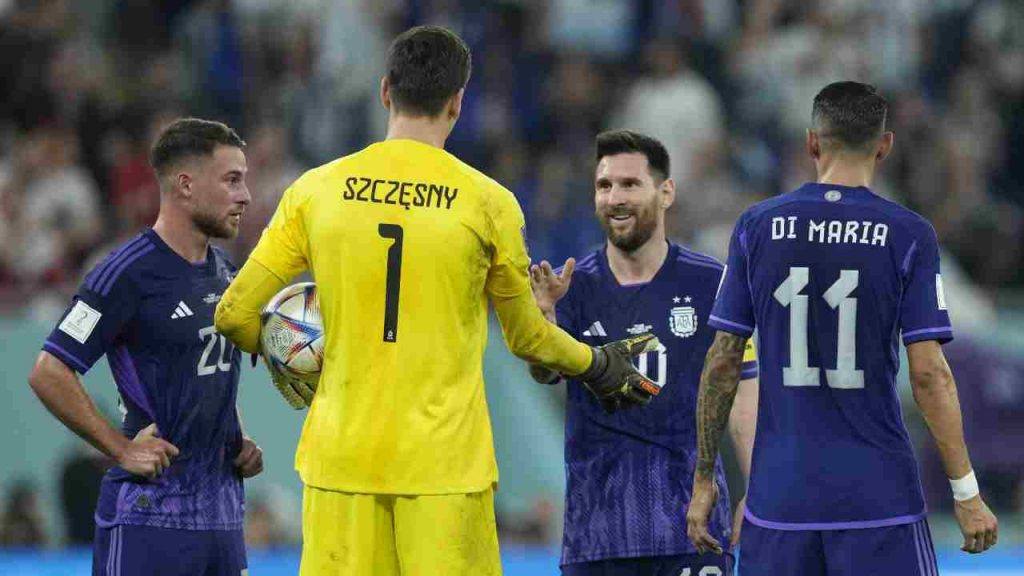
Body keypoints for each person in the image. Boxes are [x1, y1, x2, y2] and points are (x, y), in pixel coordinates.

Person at [213, 25, 658, 576]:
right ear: (457, 103)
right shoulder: (489, 202)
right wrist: (600, 363)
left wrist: (284, 348)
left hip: (340, 464)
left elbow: (232, 313)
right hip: (445, 470)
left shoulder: (315, 191)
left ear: (384, 92)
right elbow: (528, 340)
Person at [686, 82, 999, 575]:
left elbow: (723, 359)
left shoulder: (756, 226)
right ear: (884, 145)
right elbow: (930, 376)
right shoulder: (908, 234)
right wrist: (966, 492)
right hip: (878, 499)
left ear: (812, 142)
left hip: (780, 499)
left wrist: (705, 478)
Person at [27, 118, 264, 575]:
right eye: (232, 179)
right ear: (186, 185)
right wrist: (120, 448)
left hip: (223, 521)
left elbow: (205, 374)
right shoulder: (124, 273)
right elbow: (48, 369)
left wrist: (241, 435)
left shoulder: (226, 272)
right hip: (149, 518)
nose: (246, 195)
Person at [528, 130, 758, 576]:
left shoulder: (715, 284)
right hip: (597, 534)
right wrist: (545, 325)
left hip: (692, 528)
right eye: (604, 185)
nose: (615, 197)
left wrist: (758, 487)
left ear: (665, 191)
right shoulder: (570, 289)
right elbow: (544, 376)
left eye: (630, 184)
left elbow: (744, 394)